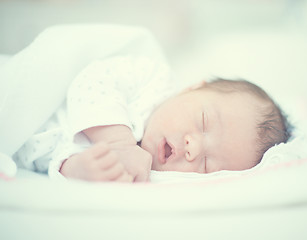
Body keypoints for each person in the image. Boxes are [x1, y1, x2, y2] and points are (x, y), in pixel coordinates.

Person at [12, 25, 290, 183]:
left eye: (206, 165)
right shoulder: (152, 79)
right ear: (193, 88)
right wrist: (118, 143)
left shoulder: (144, 173)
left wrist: (80, 170)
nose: (194, 148)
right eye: (203, 121)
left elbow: (55, 158)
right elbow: (92, 81)